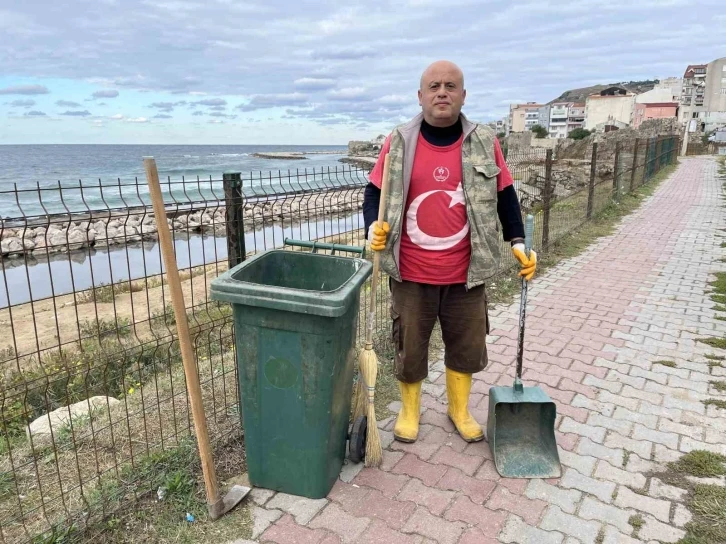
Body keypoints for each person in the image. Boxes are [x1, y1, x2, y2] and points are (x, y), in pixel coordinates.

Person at [362, 60, 536, 444]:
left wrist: (518, 241)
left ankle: (458, 409)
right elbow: (374, 190)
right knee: (409, 347)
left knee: (467, 346)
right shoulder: (399, 140)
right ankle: (410, 411)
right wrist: (372, 227)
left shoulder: (484, 140)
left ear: (463, 95)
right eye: (434, 86)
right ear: (420, 95)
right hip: (410, 271)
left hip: (466, 272)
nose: (443, 92)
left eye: (451, 86)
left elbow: (505, 194)